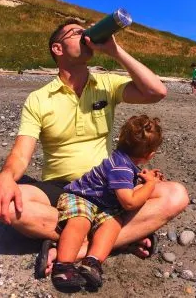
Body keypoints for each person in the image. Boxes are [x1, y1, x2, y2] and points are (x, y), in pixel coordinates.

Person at [0, 18, 189, 276]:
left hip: (109, 183)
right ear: (57, 49)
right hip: (63, 190)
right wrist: (6, 176)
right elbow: (21, 152)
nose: (85, 35)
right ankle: (118, 237)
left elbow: (156, 92)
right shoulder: (38, 99)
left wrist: (114, 51)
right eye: (76, 33)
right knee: (12, 206)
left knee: (176, 195)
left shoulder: (106, 84)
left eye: (86, 31)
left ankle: (78, 248)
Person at [52, 115, 163, 290]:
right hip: (81, 196)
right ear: (150, 155)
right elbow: (129, 203)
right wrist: (150, 184)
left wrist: (143, 178)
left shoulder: (123, 161)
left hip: (103, 204)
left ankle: (92, 262)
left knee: (113, 224)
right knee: (80, 221)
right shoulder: (121, 167)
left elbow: (124, 183)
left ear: (120, 140)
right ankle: (63, 266)